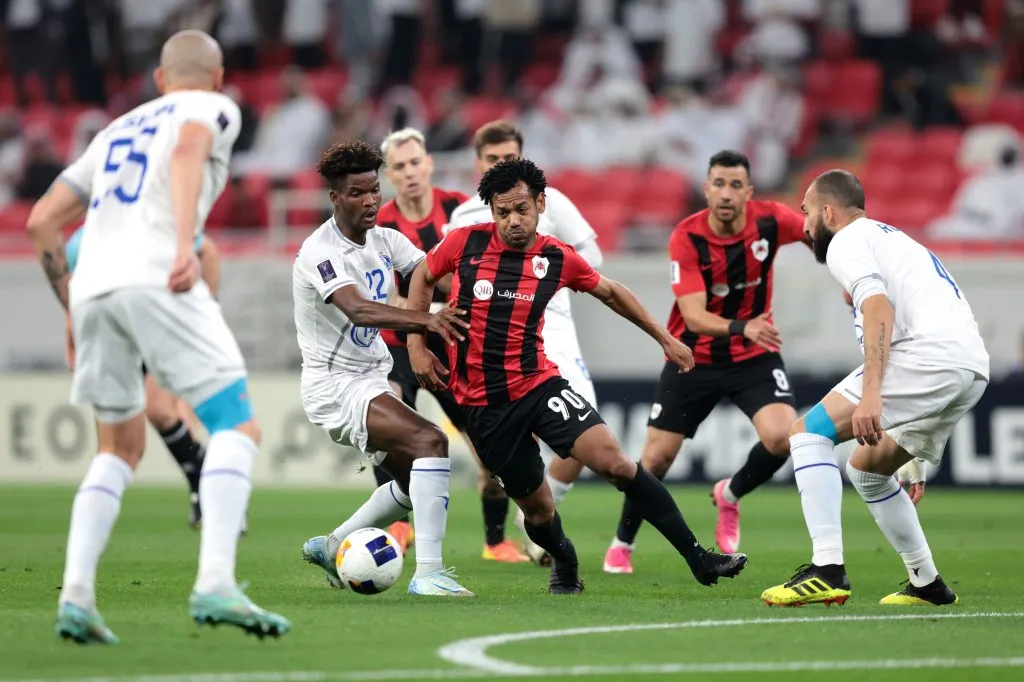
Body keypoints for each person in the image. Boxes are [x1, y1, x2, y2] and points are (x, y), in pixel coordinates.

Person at [26, 30, 289, 644]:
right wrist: (181, 247)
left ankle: (77, 597)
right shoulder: (211, 108)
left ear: (160, 79)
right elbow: (190, 147)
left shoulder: (113, 130)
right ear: (218, 76)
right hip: (157, 275)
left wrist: (71, 301)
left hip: (93, 286)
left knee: (118, 447)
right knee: (236, 425)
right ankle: (216, 581)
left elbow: (41, 220)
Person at [406, 158, 748, 594]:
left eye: (521, 210)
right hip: (485, 409)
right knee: (539, 512)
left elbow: (610, 292)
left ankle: (698, 558)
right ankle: (564, 560)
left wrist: (663, 337)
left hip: (539, 385)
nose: (513, 221)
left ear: (541, 204)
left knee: (617, 463)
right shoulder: (462, 244)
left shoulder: (554, 256)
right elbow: (421, 275)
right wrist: (417, 343)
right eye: (502, 211)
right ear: (491, 211)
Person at [761, 169, 989, 607]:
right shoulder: (891, 240)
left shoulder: (846, 242)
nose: (804, 225)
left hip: (928, 358)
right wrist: (914, 448)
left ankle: (826, 568)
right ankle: (927, 583)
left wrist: (871, 394)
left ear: (828, 211)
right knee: (867, 469)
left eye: (807, 213)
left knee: (806, 434)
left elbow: (878, 309)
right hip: (968, 368)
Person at [603, 150, 805, 575]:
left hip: (754, 356)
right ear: (706, 187)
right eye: (718, 183)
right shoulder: (687, 237)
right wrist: (742, 326)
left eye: (735, 185)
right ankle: (623, 543)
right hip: (693, 357)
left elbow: (821, 234)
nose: (726, 193)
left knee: (782, 438)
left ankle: (729, 495)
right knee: (655, 460)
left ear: (749, 192)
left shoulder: (771, 220)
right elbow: (693, 316)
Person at [295, 140, 475, 598]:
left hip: (370, 376)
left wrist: (485, 285)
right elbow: (359, 310)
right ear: (336, 197)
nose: (371, 200)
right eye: (357, 193)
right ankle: (428, 574)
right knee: (432, 441)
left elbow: (431, 272)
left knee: (412, 480)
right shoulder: (320, 251)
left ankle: (332, 544)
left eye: (374, 190)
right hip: (334, 384)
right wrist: (427, 319)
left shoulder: (385, 239)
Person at [449, 119, 604, 565]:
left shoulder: (550, 202)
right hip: (493, 343)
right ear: (479, 164)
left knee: (586, 436)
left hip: (553, 326)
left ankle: (534, 518)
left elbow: (592, 255)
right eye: (493, 159)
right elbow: (440, 280)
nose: (502, 165)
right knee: (503, 450)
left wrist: (549, 274)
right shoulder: (464, 219)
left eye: (510, 157)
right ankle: (525, 531)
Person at [372, 127, 530, 562]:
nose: (409, 173)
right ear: (389, 173)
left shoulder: (460, 211)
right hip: (398, 346)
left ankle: (495, 541)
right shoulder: (379, 224)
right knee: (390, 419)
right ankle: (400, 525)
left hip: (453, 344)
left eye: (414, 162)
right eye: (399, 166)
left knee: (487, 444)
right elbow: (381, 298)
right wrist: (431, 309)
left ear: (429, 163)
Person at [64, 226, 217, 529]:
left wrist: (206, 312)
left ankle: (206, 484)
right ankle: (205, 480)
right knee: (113, 444)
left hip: (158, 328)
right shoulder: (78, 245)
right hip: (112, 339)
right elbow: (76, 294)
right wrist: (71, 330)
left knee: (159, 412)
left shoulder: (151, 224)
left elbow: (208, 251)